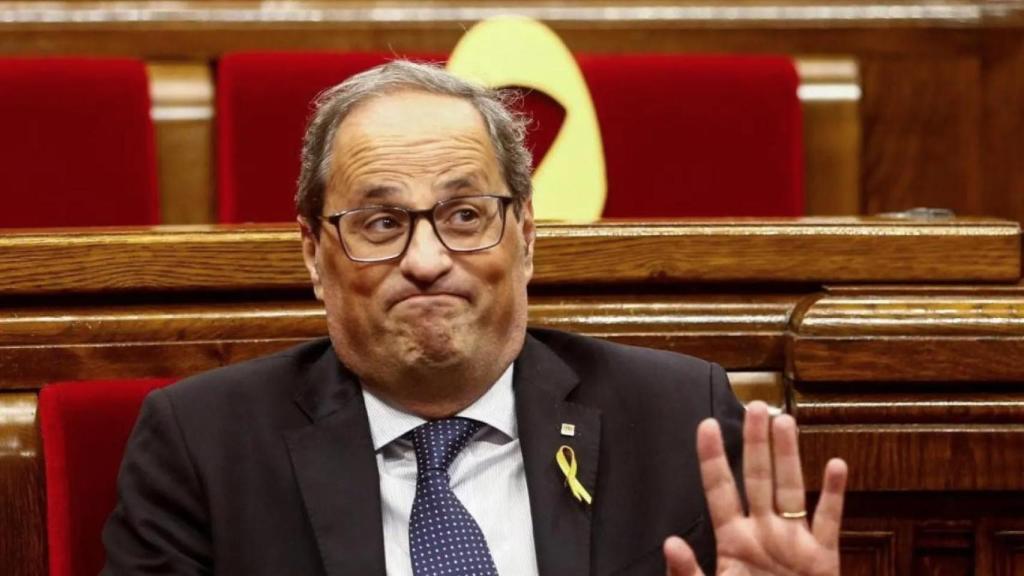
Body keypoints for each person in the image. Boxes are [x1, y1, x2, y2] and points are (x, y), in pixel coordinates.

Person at [103, 60, 847, 575]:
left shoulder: (678, 417)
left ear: (526, 236)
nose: (427, 259)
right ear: (314, 253)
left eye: (464, 214)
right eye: (381, 222)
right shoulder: (202, 444)